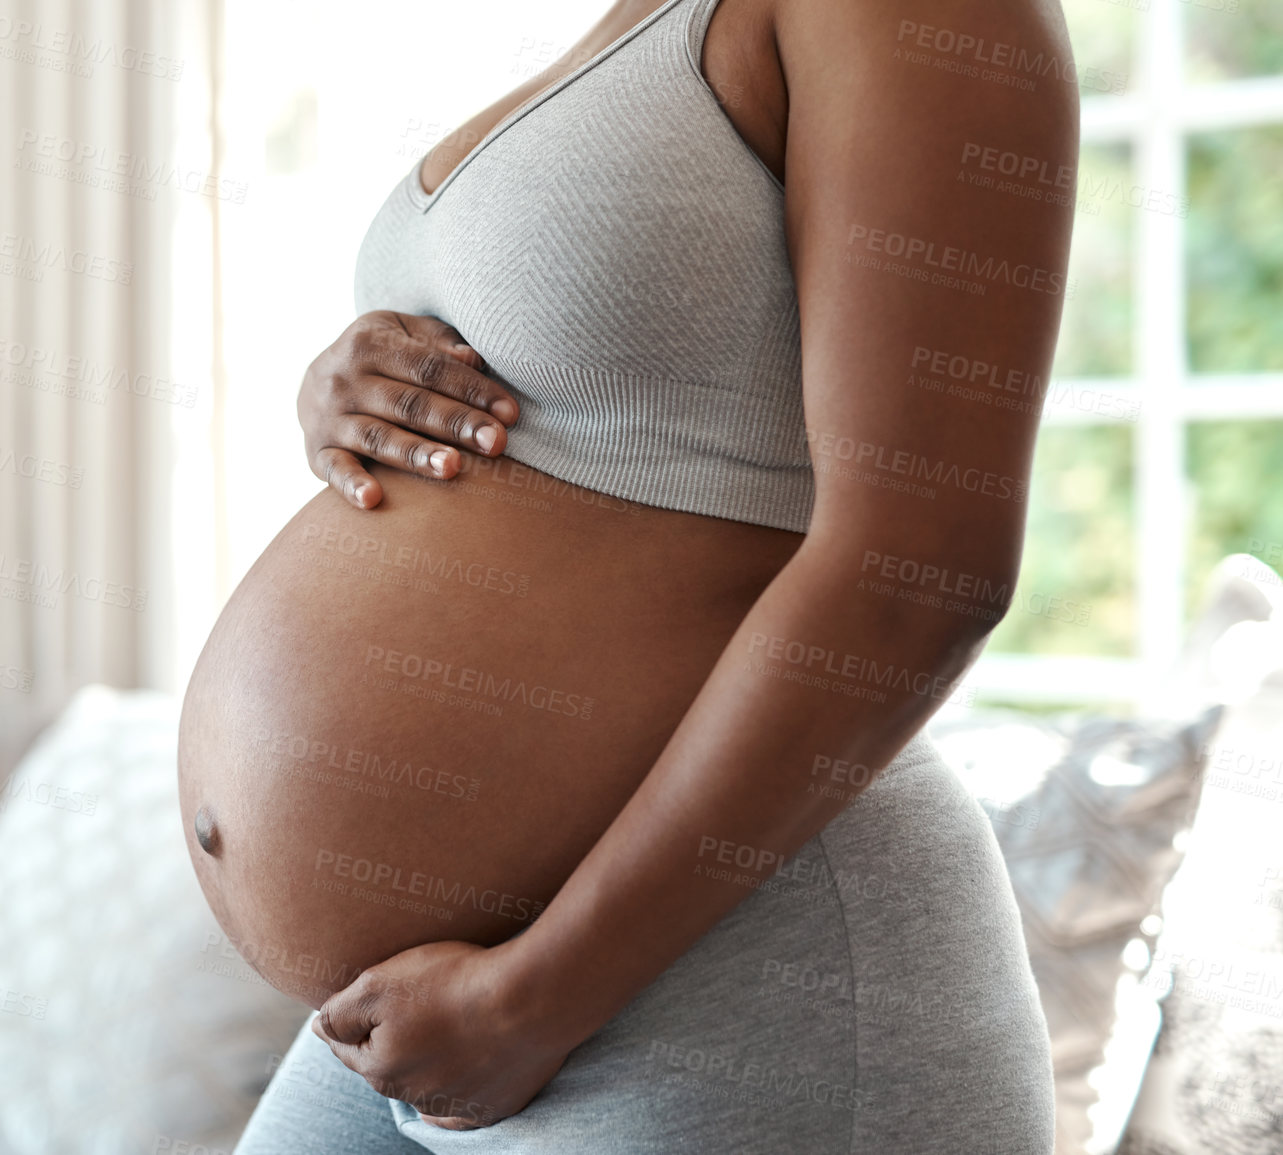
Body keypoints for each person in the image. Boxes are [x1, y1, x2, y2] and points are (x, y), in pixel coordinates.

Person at [181, 0, 1077, 1149]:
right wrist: (349, 387)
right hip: (426, 1027)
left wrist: (537, 995)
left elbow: (922, 568)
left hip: (727, 990)